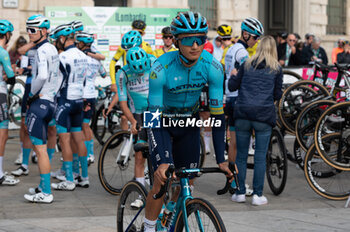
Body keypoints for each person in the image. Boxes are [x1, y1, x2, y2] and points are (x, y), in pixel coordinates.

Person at [143, 11, 233, 231]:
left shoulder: (213, 67)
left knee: (188, 182)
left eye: (200, 39)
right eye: (187, 39)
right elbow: (152, 116)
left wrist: (221, 158)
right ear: (175, 41)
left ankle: (171, 212)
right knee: (161, 179)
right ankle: (148, 226)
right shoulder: (159, 68)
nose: (195, 45)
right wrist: (162, 160)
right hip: (161, 122)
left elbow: (218, 116)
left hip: (188, 123)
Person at [228, 35, 283, 205]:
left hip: (243, 113)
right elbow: (277, 94)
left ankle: (240, 193)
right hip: (263, 116)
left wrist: (233, 75)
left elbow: (232, 87)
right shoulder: (276, 68)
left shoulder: (246, 64)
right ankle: (258, 195)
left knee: (241, 156)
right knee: (260, 156)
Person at [105, 47, 155, 208]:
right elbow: (123, 102)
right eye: (137, 73)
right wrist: (132, 121)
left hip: (155, 111)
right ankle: (141, 194)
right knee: (139, 155)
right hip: (138, 113)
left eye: (142, 72)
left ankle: (159, 189)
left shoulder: (154, 62)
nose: (140, 75)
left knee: (158, 153)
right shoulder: (123, 73)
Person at [22, 15, 60, 203]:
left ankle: (46, 192)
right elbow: (59, 76)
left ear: (43, 31)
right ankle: (42, 186)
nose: (29, 34)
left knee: (41, 150)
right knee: (43, 148)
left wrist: (32, 95)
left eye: (32, 30)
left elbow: (42, 75)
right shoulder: (52, 48)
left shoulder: (41, 50)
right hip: (51, 101)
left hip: (40, 103)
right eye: (27, 29)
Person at [52, 24, 88, 190]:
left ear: (62, 39)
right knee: (79, 138)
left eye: (56, 40)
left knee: (64, 140)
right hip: (79, 99)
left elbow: (57, 83)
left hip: (65, 100)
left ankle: (69, 180)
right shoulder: (84, 55)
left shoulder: (63, 57)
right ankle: (84, 177)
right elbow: (86, 80)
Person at [224, 17, 264, 170]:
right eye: (255, 37)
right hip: (240, 100)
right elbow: (248, 75)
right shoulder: (242, 52)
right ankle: (238, 179)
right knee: (241, 145)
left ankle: (232, 179)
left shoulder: (232, 49)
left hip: (230, 98)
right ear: (246, 35)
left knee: (233, 142)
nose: (257, 41)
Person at [76, 32, 107, 166]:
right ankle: (90, 154)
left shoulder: (81, 57)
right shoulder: (96, 58)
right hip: (91, 95)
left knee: (80, 126)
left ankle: (84, 154)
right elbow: (104, 74)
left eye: (78, 43)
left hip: (81, 95)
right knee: (86, 125)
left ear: (82, 43)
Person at [0, 19, 20, 186]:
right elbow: (11, 78)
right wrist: (13, 73)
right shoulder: (2, 52)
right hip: (0, 95)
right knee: (3, 134)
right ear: (6, 35)